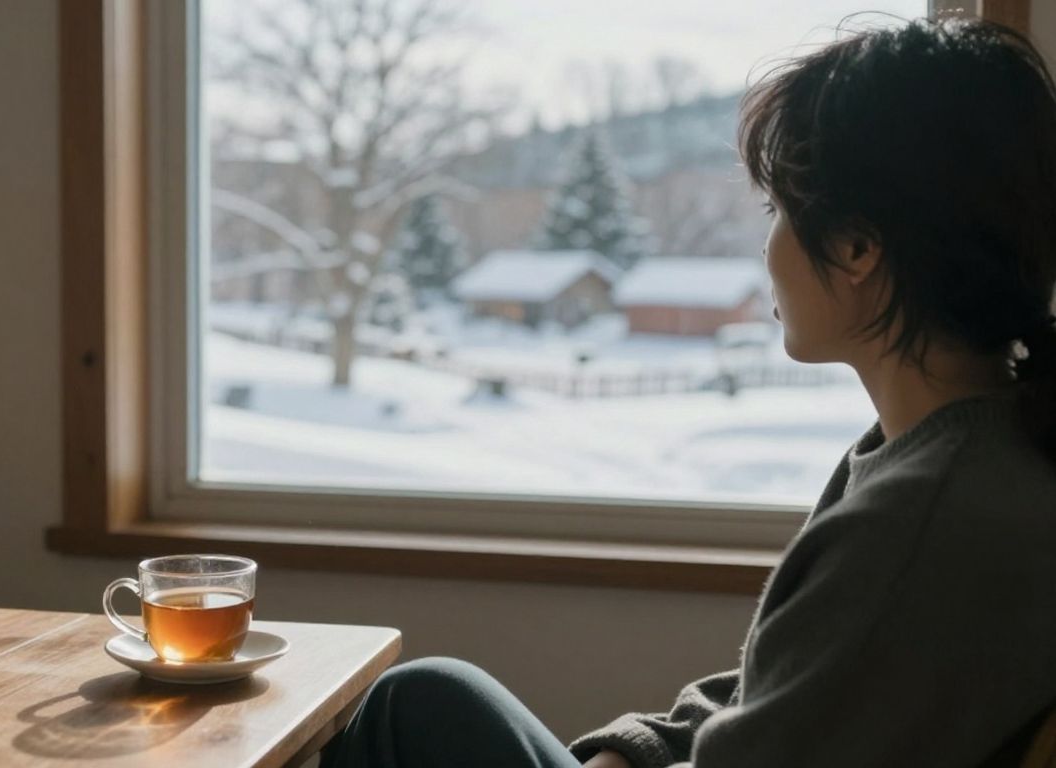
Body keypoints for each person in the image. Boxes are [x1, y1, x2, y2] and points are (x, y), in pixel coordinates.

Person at [318, 14, 1056, 768]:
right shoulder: (948, 450)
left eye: (778, 212)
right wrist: (635, 752)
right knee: (427, 698)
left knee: (408, 714)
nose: (765, 248)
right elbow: (785, 686)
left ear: (858, 247)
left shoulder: (921, 522)